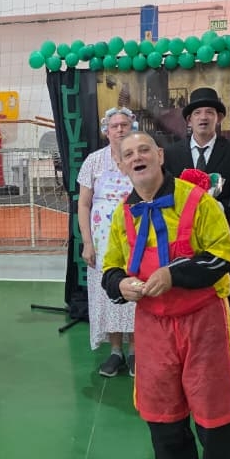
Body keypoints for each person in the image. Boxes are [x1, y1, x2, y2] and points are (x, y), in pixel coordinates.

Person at [100, 132, 230, 459]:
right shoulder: (123, 214)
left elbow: (222, 256)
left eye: (144, 149)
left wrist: (175, 274)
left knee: (213, 407)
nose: (137, 157)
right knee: (160, 407)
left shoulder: (198, 201)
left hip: (204, 320)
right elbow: (111, 266)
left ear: (160, 155)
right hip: (152, 325)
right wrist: (121, 284)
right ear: (122, 166)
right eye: (128, 154)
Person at [164, 88, 230, 379]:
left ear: (219, 118)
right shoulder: (172, 154)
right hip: (182, 243)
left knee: (227, 305)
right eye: (198, 113)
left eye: (210, 112)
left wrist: (218, 208)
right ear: (189, 120)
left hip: (221, 241)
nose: (204, 117)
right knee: (183, 305)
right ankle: (186, 371)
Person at [77, 107, 138, 377]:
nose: (120, 129)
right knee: (108, 293)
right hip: (102, 245)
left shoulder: (139, 157)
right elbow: (83, 204)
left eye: (125, 124)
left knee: (134, 293)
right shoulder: (93, 161)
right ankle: (115, 352)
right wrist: (87, 243)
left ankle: (135, 352)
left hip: (135, 241)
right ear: (106, 131)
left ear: (132, 128)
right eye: (114, 126)